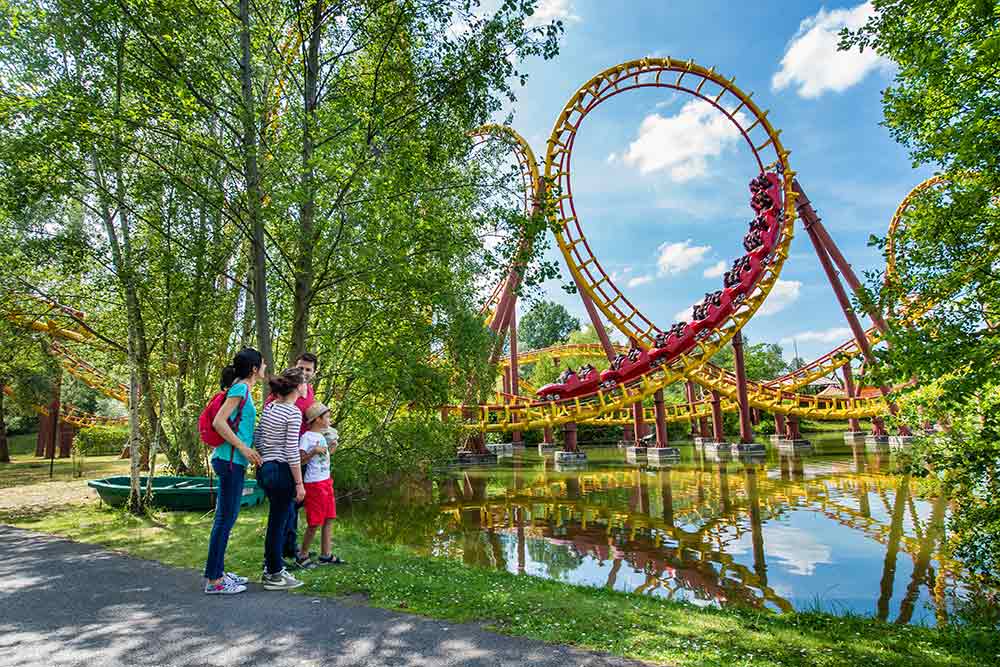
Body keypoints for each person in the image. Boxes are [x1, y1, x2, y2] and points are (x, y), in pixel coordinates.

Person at [203, 347, 265, 595]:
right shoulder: (241, 388)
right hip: (230, 461)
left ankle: (218, 572)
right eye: (262, 365)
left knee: (226, 519)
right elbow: (219, 422)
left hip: (231, 461)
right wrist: (243, 448)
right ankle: (214, 581)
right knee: (224, 520)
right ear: (253, 368)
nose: (265, 369)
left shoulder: (243, 389)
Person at [255, 367, 308, 590]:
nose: (307, 386)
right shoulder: (293, 412)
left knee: (275, 522)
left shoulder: (271, 407)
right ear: (297, 387)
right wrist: (299, 483)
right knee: (279, 524)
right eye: (305, 382)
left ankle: (272, 568)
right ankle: (274, 574)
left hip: (266, 469)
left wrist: (263, 458)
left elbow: (258, 435)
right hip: (281, 471)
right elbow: (290, 450)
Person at [295, 402, 344, 567]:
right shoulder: (307, 437)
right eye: (327, 416)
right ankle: (302, 555)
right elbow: (300, 460)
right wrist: (312, 452)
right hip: (314, 483)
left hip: (326, 481)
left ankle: (326, 555)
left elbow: (325, 456)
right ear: (317, 419)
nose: (330, 419)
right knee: (315, 522)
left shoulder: (322, 436)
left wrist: (332, 448)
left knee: (329, 517)